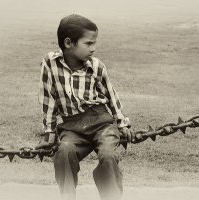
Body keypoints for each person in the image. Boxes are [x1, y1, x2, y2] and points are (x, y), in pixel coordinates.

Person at [35, 14, 135, 200]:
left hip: (101, 123)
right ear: (68, 43)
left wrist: (122, 123)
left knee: (107, 156)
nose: (93, 48)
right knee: (64, 152)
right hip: (72, 127)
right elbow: (48, 99)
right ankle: (67, 195)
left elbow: (111, 96)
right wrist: (49, 133)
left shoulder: (96, 66)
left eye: (94, 43)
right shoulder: (50, 64)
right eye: (88, 43)